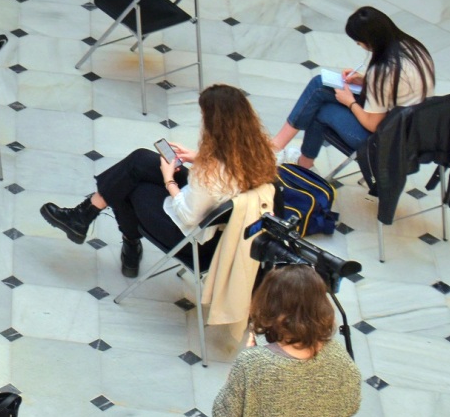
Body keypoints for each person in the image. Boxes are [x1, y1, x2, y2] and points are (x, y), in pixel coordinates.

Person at [39, 84, 277, 278]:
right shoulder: (259, 150)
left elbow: (188, 215)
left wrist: (168, 180)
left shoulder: (213, 172)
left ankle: (120, 238)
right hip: (216, 216)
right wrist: (199, 157)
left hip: (196, 239)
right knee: (140, 161)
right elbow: (227, 176)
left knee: (131, 187)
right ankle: (88, 214)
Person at [210, 265, 361, 417]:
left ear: (270, 307)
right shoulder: (341, 360)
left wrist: (235, 375)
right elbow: (349, 408)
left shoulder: (252, 365)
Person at [271, 6, 435, 169]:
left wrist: (350, 102)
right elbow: (398, 88)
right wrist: (365, 81)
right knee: (320, 85)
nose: (360, 45)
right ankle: (279, 148)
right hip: (413, 130)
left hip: (388, 143)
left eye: (359, 42)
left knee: (321, 110)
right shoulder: (414, 47)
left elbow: (373, 124)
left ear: (370, 40)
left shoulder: (383, 70)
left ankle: (299, 163)